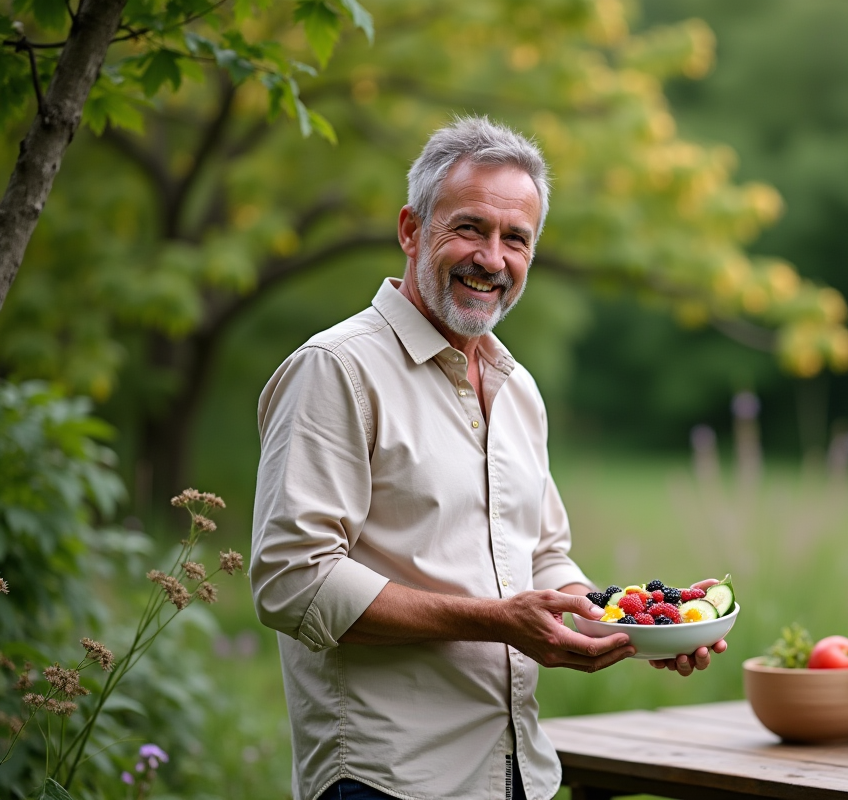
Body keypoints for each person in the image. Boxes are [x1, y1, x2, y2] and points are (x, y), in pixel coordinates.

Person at [250, 116, 725, 800]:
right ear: (413, 231)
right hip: (387, 778)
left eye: (516, 239)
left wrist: (643, 622)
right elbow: (292, 582)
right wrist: (494, 620)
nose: (492, 259)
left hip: (513, 772)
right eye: (470, 228)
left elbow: (545, 562)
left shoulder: (517, 388)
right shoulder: (336, 369)